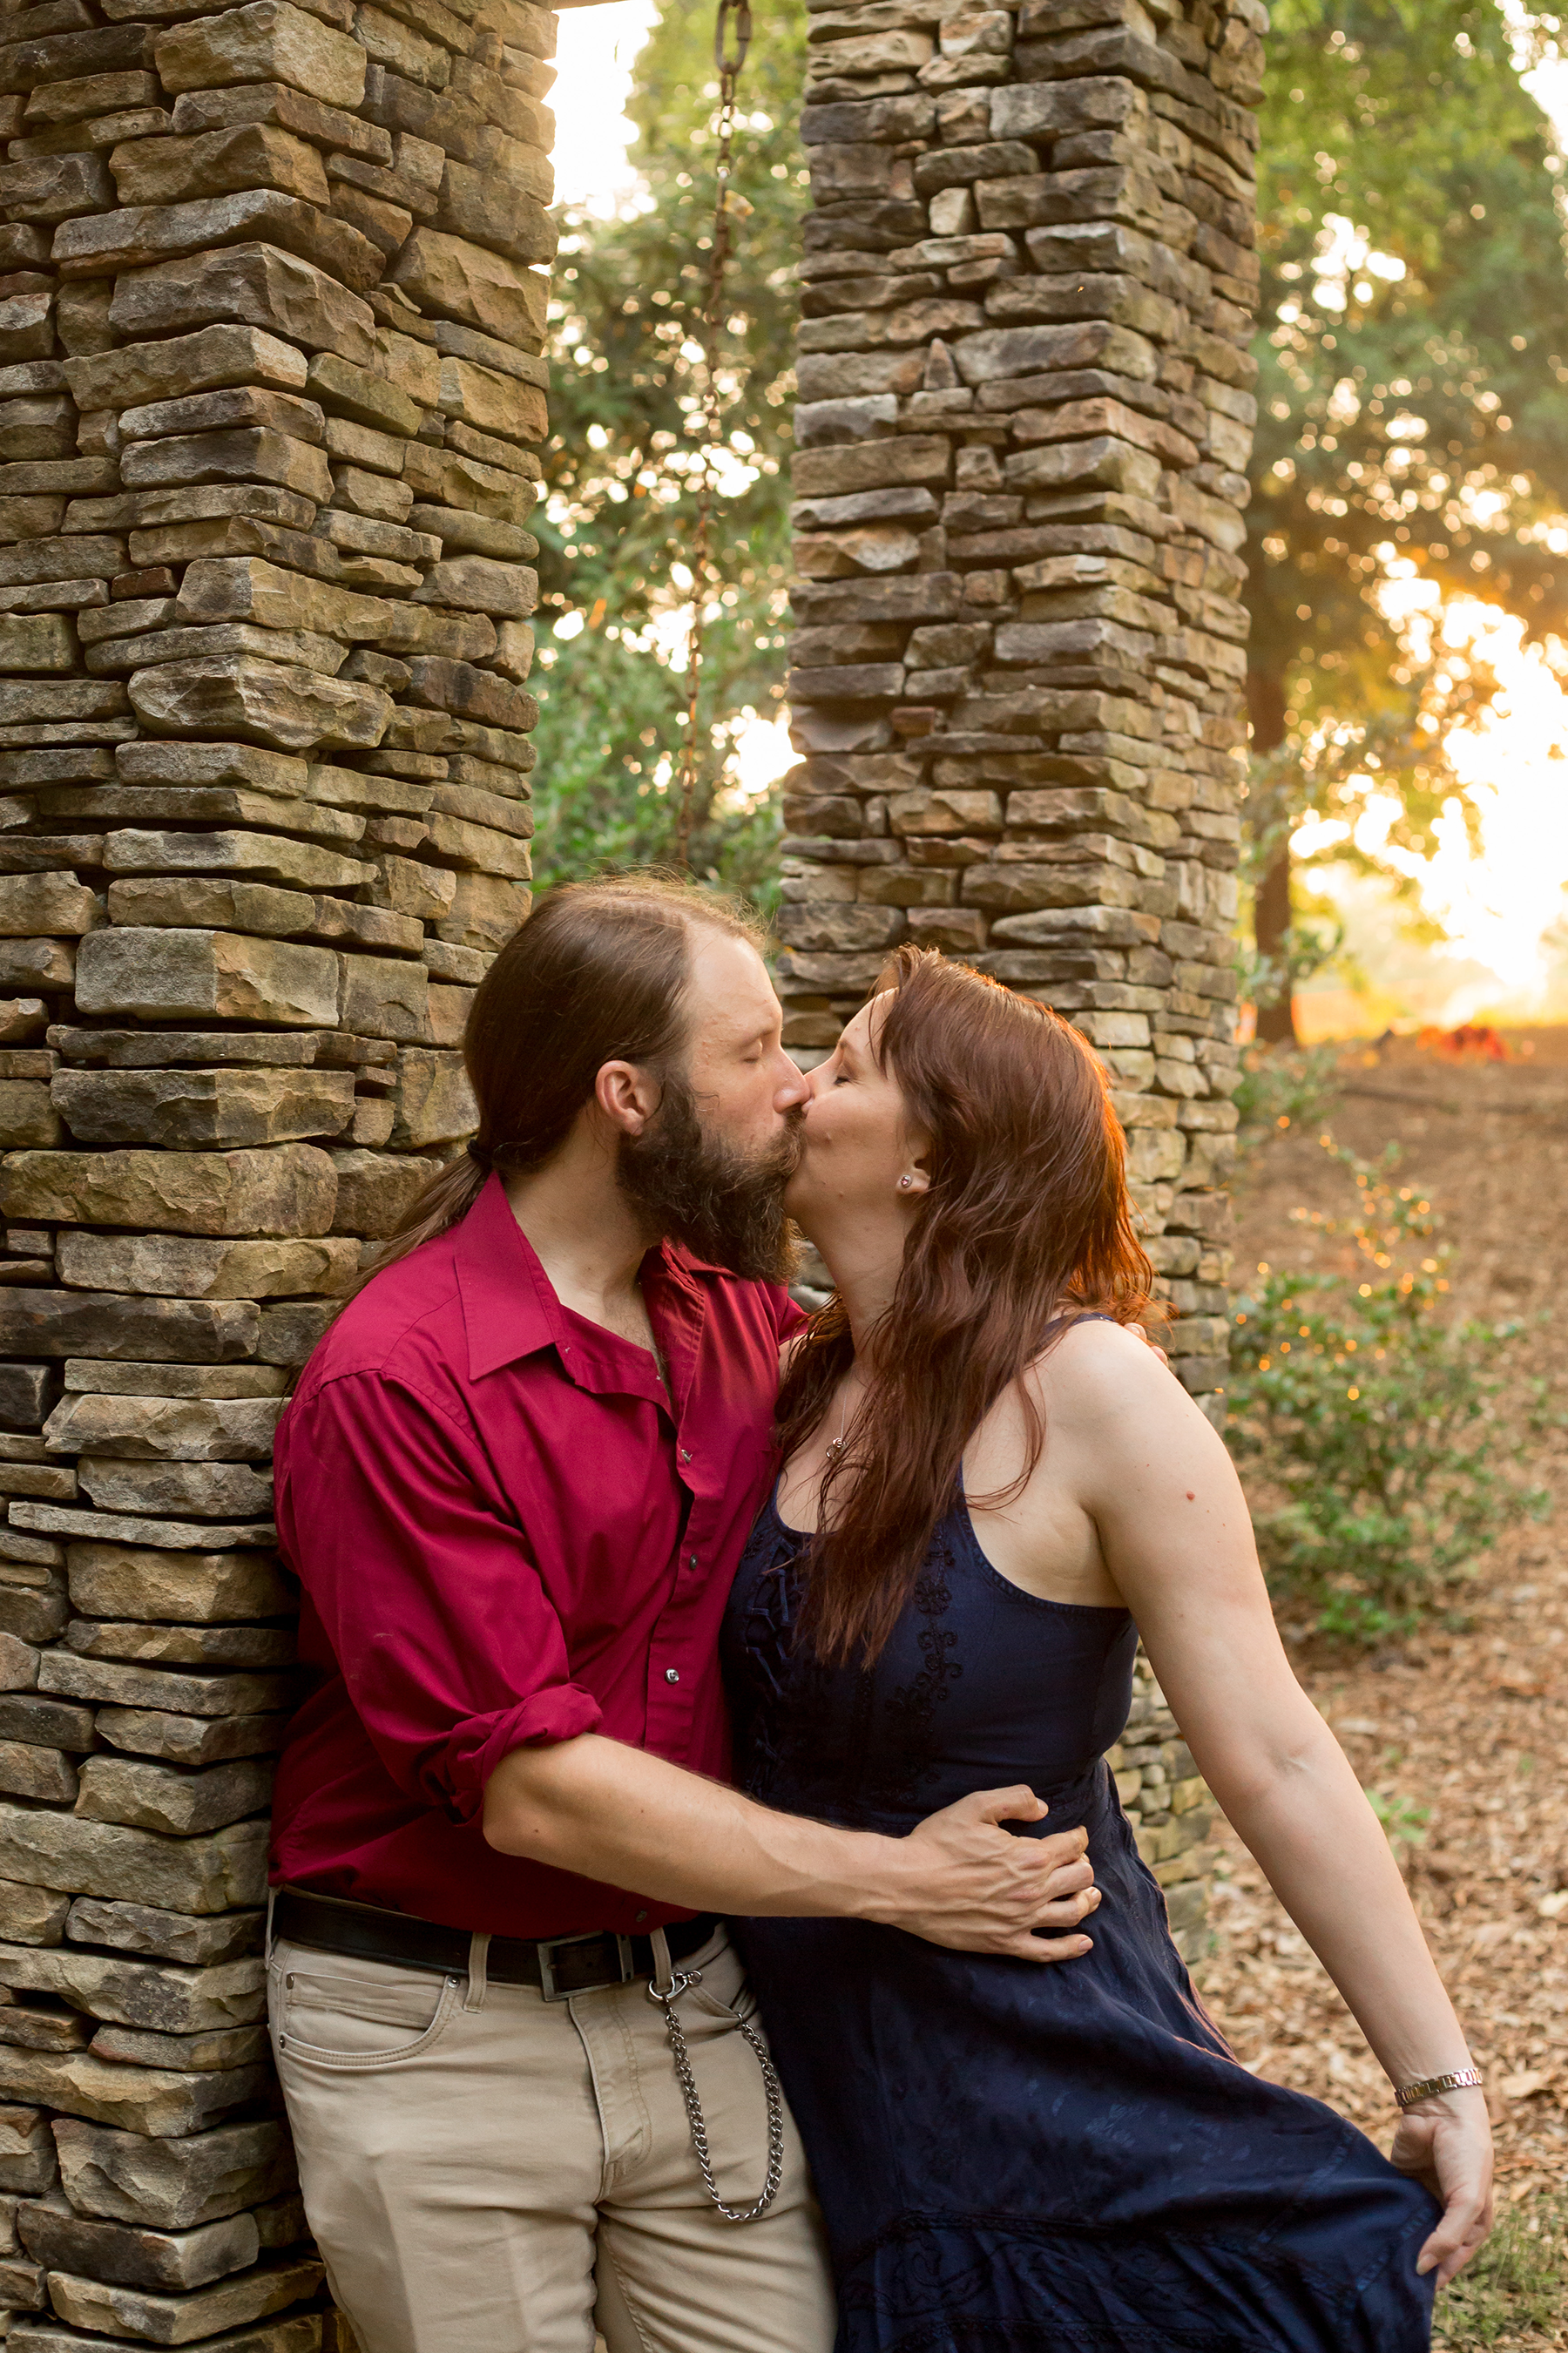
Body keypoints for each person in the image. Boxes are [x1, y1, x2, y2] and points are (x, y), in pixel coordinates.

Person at [266, 879, 1098, 2353]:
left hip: (690, 2008)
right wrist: (896, 1879)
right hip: (436, 2035)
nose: (795, 1089)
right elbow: (532, 1793)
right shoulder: (398, 1381)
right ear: (626, 1096)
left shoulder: (736, 1321)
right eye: (759, 1051)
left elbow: (931, 1365)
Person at [721, 945, 1493, 2353]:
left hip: (1044, 2077)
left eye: (838, 1071)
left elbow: (1274, 1755)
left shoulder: (1095, 1394)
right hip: (801, 2085)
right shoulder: (781, 1381)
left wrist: (1438, 2080)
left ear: (927, 1161)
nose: (793, 1092)